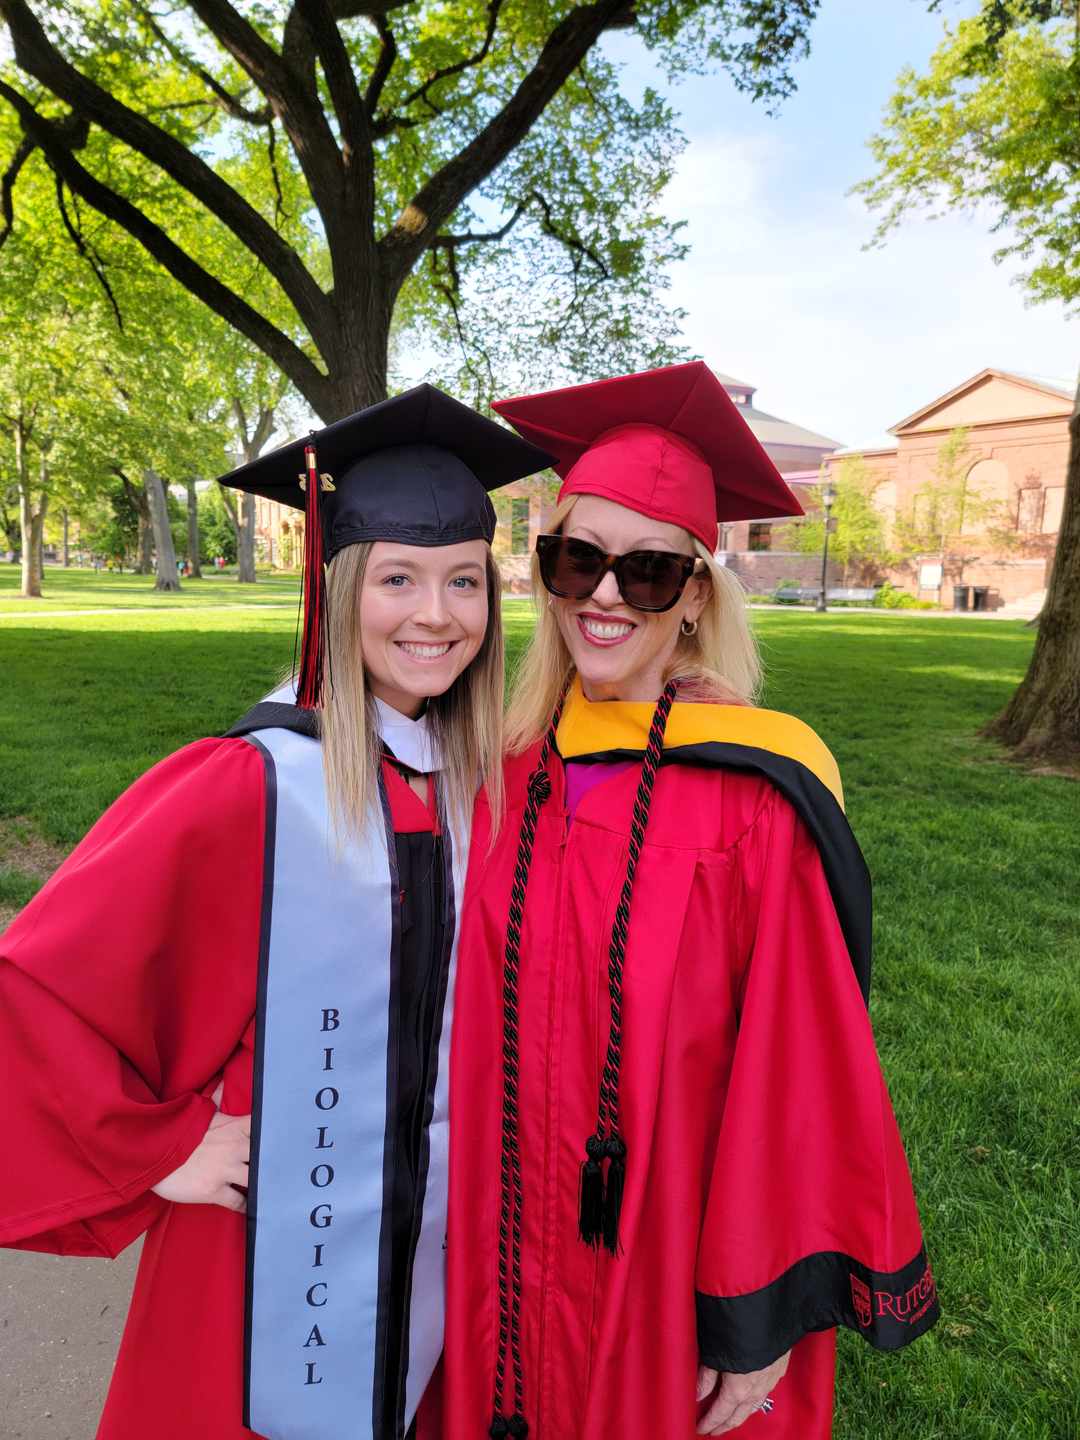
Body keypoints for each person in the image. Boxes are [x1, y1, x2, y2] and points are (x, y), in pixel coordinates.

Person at [0, 384, 554, 1440]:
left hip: (450, 1247)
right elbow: (36, 988)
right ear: (336, 590)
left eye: (465, 583)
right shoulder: (249, 786)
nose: (436, 615)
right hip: (273, 1257)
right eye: (398, 578)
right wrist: (158, 1146)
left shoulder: (495, 788)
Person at [444, 363, 938, 1440]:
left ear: (699, 594)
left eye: (651, 572)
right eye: (578, 562)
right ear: (544, 577)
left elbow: (801, 1063)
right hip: (499, 1243)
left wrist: (758, 1311)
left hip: (672, 1257)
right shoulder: (495, 774)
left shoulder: (754, 796)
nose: (607, 597)